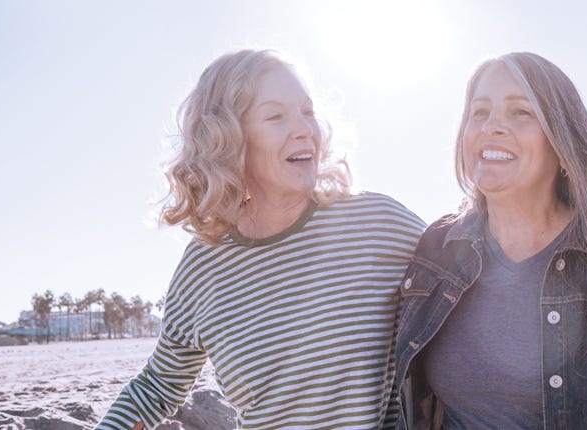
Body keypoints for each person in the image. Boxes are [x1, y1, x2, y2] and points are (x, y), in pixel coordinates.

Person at [95, 49, 425, 430]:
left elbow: (472, 273)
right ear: (229, 140)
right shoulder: (203, 267)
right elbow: (158, 386)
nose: (304, 129)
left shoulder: (376, 224)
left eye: (308, 112)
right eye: (276, 116)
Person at [391, 52, 587, 429]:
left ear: (564, 143)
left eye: (520, 112)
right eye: (480, 111)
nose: (492, 126)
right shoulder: (438, 247)